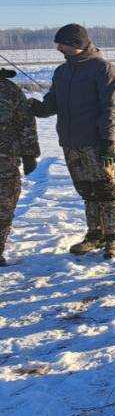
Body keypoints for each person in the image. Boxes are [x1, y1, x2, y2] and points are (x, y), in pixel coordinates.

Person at [30, 24, 115, 258]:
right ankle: (95, 235)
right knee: (87, 191)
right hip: (70, 142)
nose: (58, 49)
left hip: (97, 142)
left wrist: (109, 140)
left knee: (107, 191)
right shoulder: (62, 72)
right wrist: (38, 108)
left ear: (76, 44)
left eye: (61, 44)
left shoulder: (104, 70)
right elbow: (52, 102)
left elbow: (111, 108)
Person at [0, 67, 40, 267]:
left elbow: (25, 122)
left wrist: (29, 154)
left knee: (4, 206)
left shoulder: (9, 89)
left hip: (5, 162)